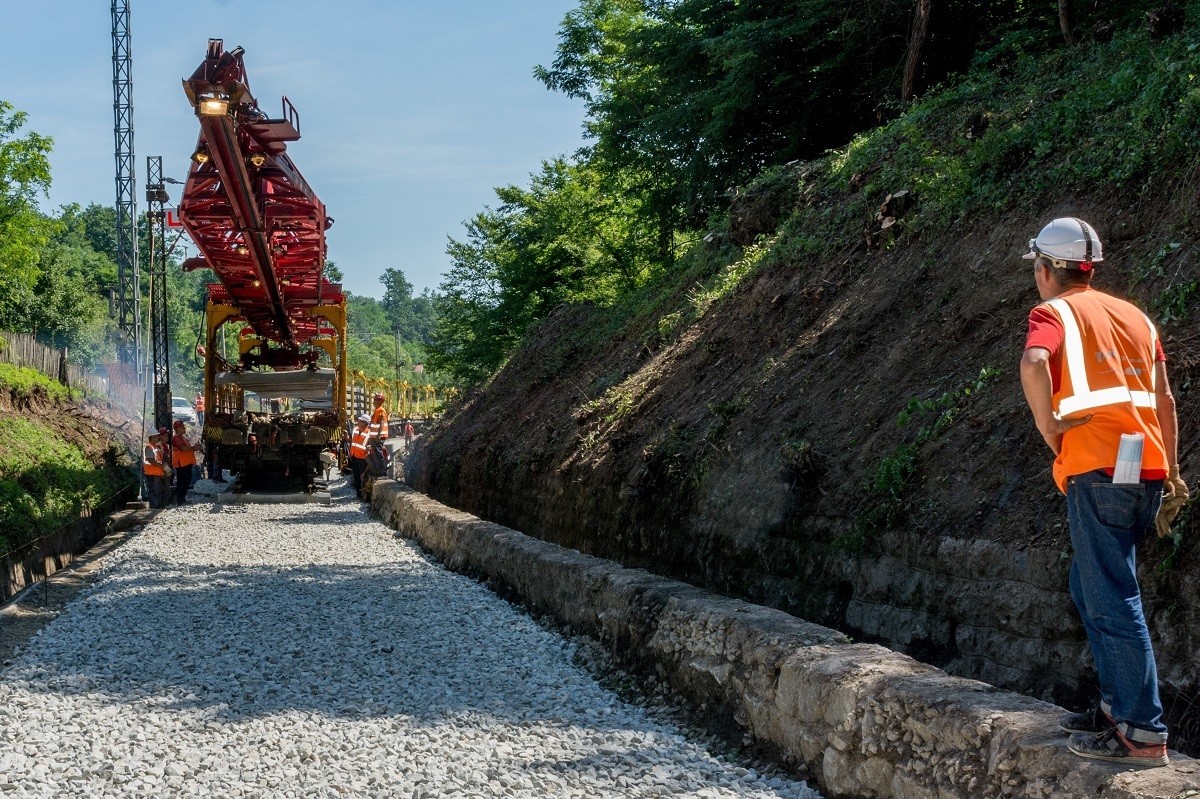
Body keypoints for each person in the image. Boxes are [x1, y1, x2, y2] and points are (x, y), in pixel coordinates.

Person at [1019, 217, 1188, 768]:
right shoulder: (1136, 317)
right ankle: (1118, 709)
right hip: (1146, 471)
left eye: (1037, 269)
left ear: (1046, 270)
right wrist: (1175, 471)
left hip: (1098, 467)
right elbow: (1163, 399)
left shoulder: (1054, 313)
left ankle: (1141, 731)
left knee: (1111, 594)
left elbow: (1034, 362)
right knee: (1091, 584)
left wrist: (1049, 428)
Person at [171, 420, 203, 505]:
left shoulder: (182, 438)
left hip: (185, 463)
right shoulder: (176, 438)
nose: (184, 428)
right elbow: (183, 449)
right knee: (182, 482)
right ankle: (180, 500)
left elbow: (186, 448)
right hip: (181, 464)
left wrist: (194, 447)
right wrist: (194, 448)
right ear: (177, 428)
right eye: (182, 427)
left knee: (186, 481)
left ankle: (182, 499)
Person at [142, 432, 169, 509]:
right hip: (151, 473)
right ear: (152, 437)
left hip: (157, 472)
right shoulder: (149, 447)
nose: (158, 438)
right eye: (157, 436)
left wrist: (164, 466)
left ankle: (158, 506)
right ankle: (154, 507)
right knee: (154, 490)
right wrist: (162, 466)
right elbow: (151, 460)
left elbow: (159, 459)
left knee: (158, 490)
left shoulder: (156, 447)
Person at [348, 414, 371, 499]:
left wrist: (369, 448)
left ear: (364, 423)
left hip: (362, 458)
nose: (358, 421)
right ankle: (358, 494)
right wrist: (347, 438)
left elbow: (370, 444)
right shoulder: (355, 430)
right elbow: (353, 441)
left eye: (360, 421)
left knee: (363, 477)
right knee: (356, 476)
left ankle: (365, 495)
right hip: (354, 456)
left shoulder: (369, 432)